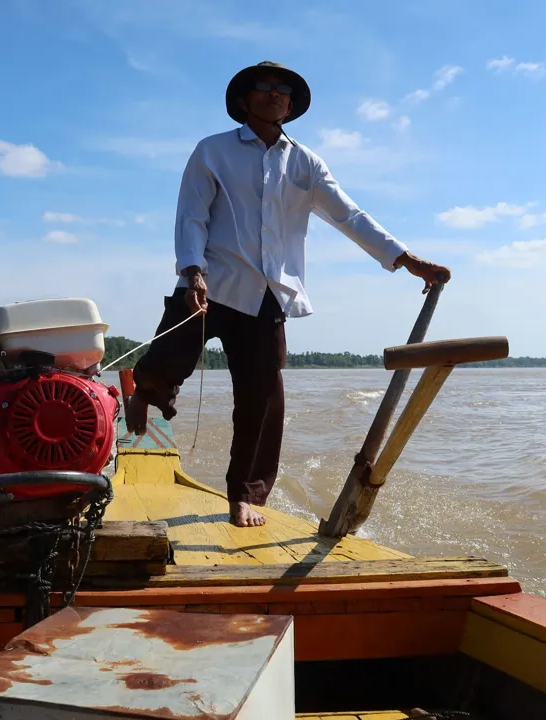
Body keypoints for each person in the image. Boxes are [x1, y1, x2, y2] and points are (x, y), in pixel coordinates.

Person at [125, 61, 450, 527]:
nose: (276, 94)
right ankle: (147, 392)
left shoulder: (305, 162)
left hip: (267, 294)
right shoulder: (212, 151)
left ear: (292, 106)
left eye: (284, 91)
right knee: (169, 352)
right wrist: (192, 270)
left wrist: (407, 259)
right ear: (244, 99)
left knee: (262, 401)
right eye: (265, 87)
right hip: (208, 280)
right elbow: (191, 215)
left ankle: (243, 495)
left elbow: (350, 216)